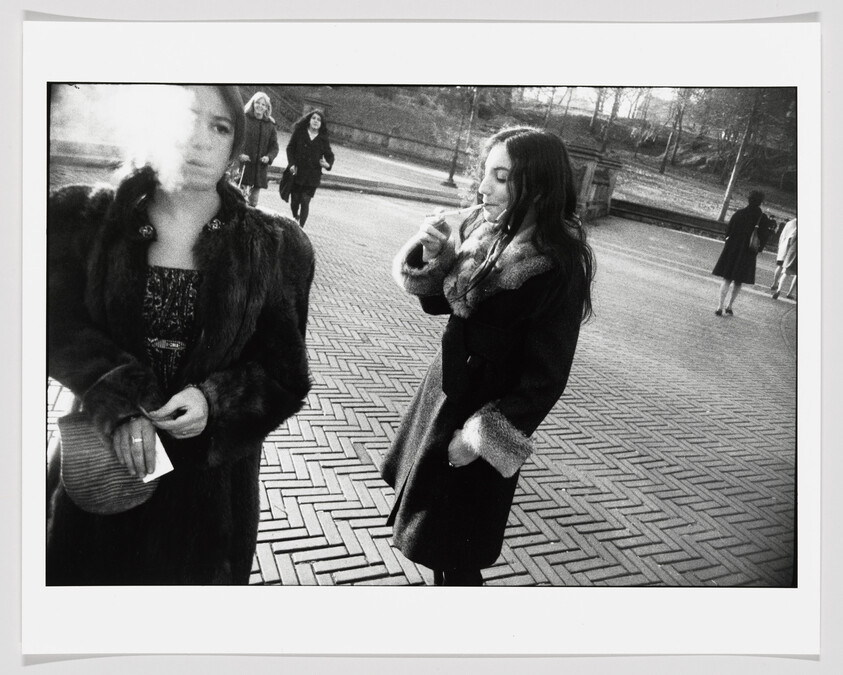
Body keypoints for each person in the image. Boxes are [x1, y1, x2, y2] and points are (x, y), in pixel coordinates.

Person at [46, 85, 315, 585]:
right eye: (189, 119)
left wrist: (216, 402)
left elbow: (286, 371)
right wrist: (122, 401)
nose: (203, 141)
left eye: (220, 127)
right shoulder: (84, 219)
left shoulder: (274, 246)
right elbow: (53, 325)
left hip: (208, 501)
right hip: (102, 471)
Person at [381, 126, 594, 586]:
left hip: (480, 414)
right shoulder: (486, 229)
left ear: (538, 185)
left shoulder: (558, 264)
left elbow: (546, 379)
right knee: (436, 539)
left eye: (501, 177)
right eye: (486, 173)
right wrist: (437, 255)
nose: (483, 187)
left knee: (456, 552)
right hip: (442, 395)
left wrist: (479, 440)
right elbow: (445, 304)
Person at [712, 190, 772, 316]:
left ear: (748, 199)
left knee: (726, 278)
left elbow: (728, 231)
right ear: (761, 202)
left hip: (732, 250)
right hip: (747, 253)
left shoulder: (739, 214)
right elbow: (764, 237)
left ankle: (719, 306)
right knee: (738, 281)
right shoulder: (763, 218)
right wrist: (758, 250)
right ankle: (729, 306)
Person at [286, 109, 335, 227]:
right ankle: (295, 216)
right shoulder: (299, 132)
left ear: (321, 124)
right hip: (298, 173)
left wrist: (327, 165)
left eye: (319, 120)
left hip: (312, 176)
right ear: (309, 120)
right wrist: (291, 164)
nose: (316, 121)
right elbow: (290, 148)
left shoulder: (323, 138)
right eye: (313, 118)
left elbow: (330, 155)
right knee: (295, 201)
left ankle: (301, 228)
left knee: (305, 200)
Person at [237, 91, 279, 206]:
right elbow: (236, 139)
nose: (260, 106)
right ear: (253, 103)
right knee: (238, 201)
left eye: (263, 104)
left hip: (258, 170)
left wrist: (268, 157)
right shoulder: (244, 119)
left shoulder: (270, 125)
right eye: (258, 103)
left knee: (253, 202)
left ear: (267, 108)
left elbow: (274, 146)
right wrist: (239, 154)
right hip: (243, 168)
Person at [771, 217, 797, 293]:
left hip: (783, 246)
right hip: (790, 249)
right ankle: (779, 286)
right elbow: (792, 238)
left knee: (779, 266)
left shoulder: (789, 223)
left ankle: (775, 283)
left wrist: (780, 245)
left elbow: (782, 235)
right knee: (786, 269)